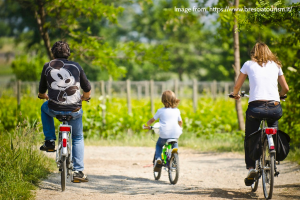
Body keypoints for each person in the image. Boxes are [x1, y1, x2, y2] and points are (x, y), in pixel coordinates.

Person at [230, 42, 289, 184]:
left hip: (255, 108)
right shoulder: (276, 65)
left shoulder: (248, 64)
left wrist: (236, 94)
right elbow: (286, 88)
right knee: (273, 129)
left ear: (253, 52)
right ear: (269, 52)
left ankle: (251, 167)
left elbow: (237, 85)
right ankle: (273, 158)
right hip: (275, 107)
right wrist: (280, 96)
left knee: (250, 136)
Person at [38, 41, 91, 182]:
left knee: (44, 108)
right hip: (74, 109)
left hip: (54, 108)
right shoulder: (76, 66)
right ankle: (78, 172)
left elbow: (42, 90)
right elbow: (87, 88)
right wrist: (85, 98)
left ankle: (49, 140)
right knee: (78, 137)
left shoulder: (47, 66)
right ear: (68, 53)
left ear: (53, 53)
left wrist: (43, 96)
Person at [144, 90, 183, 171]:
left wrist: (147, 125)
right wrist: (179, 128)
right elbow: (180, 121)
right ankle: (175, 155)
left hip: (164, 134)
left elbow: (152, 120)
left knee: (159, 145)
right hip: (175, 133)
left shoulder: (160, 110)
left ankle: (158, 158)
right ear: (174, 99)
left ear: (162, 101)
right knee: (174, 143)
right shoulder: (177, 110)